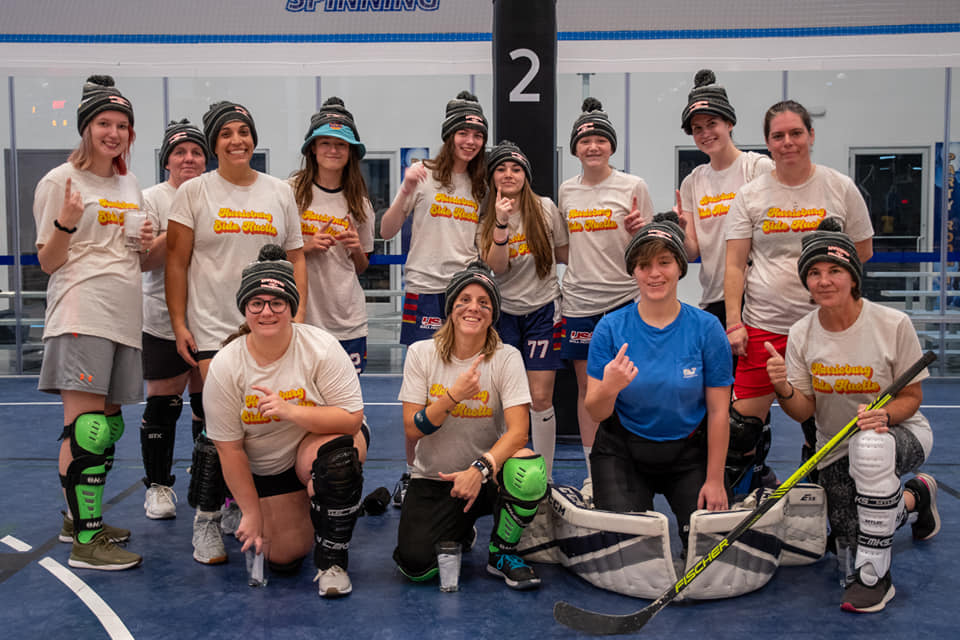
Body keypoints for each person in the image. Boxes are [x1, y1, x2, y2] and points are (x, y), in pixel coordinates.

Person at [765, 220, 939, 613]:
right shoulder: (801, 333)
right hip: (834, 447)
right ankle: (917, 497)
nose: (824, 281)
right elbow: (804, 410)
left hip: (900, 434)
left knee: (870, 447)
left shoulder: (892, 324)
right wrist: (782, 387)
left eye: (835, 270)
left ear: (853, 277)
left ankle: (875, 578)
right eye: (814, 272)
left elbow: (912, 397)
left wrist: (884, 416)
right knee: (850, 538)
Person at [166, 100, 307, 565]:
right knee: (220, 426)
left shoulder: (279, 191)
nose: (236, 140)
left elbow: (296, 256)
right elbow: (176, 262)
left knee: (259, 422)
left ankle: (233, 504)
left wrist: (299, 316)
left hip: (268, 325)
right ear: (214, 143)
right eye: (226, 133)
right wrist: (179, 322)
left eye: (243, 131)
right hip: (213, 328)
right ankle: (206, 518)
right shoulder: (193, 192)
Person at [34, 75, 153, 570]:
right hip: (83, 310)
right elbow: (48, 261)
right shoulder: (60, 181)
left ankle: (76, 519)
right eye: (104, 123)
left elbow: (139, 259)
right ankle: (87, 540)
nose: (114, 133)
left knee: (108, 425)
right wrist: (66, 221)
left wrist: (147, 242)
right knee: (86, 428)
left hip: (124, 315)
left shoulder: (129, 184)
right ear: (86, 128)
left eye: (122, 125)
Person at [724, 99, 873, 489]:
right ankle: (743, 505)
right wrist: (734, 322)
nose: (787, 142)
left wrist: (830, 288)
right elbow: (735, 264)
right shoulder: (751, 195)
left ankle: (821, 500)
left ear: (811, 135)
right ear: (767, 143)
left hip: (825, 328)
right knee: (740, 431)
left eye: (795, 133)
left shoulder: (839, 187)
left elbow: (862, 250)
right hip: (764, 325)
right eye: (778, 136)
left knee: (824, 427)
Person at [204, 245, 367, 598]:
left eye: (277, 303)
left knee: (338, 462)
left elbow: (352, 419)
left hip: (314, 444)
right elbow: (231, 450)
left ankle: (332, 562)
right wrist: (252, 513)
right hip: (267, 464)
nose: (267, 311)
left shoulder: (321, 348)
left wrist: (291, 411)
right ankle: (229, 510)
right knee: (284, 556)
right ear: (245, 309)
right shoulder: (226, 365)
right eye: (257, 303)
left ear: (291, 307)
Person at [393, 263, 548, 590]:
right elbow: (412, 428)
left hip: (487, 475)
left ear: (492, 315)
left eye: (483, 302)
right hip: (435, 478)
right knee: (416, 567)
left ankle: (502, 553)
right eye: (464, 299)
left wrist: (480, 469)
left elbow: (519, 432)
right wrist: (453, 396)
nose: (473, 307)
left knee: (529, 469)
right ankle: (461, 528)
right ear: (451, 308)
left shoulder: (506, 357)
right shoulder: (422, 353)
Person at [585, 212, 732, 546]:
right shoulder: (610, 328)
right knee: (630, 549)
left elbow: (719, 411)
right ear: (633, 272)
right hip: (624, 450)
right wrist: (610, 387)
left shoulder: (707, 329)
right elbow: (595, 411)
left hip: (689, 452)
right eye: (643, 265)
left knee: (709, 547)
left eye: (664, 262)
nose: (654, 273)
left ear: (680, 267)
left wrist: (714, 480)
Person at [379, 91, 488, 506]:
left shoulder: (482, 184)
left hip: (465, 293)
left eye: (477, 134)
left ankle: (466, 467)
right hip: (424, 290)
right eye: (463, 132)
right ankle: (413, 473)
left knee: (464, 387)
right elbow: (387, 230)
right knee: (422, 390)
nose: (470, 141)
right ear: (449, 135)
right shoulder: (422, 174)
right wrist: (405, 190)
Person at [558, 97, 653, 490]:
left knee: (629, 387)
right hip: (580, 302)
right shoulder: (566, 191)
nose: (593, 146)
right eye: (585, 141)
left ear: (611, 146)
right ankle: (594, 472)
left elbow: (648, 245)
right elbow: (564, 248)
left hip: (624, 302)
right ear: (575, 149)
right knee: (589, 390)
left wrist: (637, 231)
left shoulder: (633, 186)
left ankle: (631, 467)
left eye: (600, 140)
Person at [478, 140, 569, 480]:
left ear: (525, 175)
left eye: (516, 169)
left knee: (540, 397)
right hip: (504, 313)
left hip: (543, 310)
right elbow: (497, 267)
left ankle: (544, 477)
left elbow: (565, 253)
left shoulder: (545, 208)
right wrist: (501, 223)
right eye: (501, 169)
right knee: (504, 399)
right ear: (492, 177)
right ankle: (501, 471)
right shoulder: (486, 215)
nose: (508, 174)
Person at [139, 119, 209, 519]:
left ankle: (208, 484)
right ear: (167, 160)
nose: (188, 159)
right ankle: (158, 487)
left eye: (196, 152)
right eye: (180, 152)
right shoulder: (151, 199)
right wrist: (178, 226)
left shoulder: (217, 194)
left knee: (210, 406)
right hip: (163, 319)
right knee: (164, 406)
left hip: (211, 318)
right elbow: (144, 261)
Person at [677, 69, 774, 328]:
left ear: (729, 123)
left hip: (758, 296)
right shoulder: (692, 182)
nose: (705, 133)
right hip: (714, 298)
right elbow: (692, 253)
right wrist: (681, 231)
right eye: (697, 128)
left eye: (712, 124)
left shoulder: (757, 168)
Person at [292, 97, 374, 373]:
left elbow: (361, 267)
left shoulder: (360, 203)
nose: (333, 150)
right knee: (303, 392)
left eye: (341, 144)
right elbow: (271, 253)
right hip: (303, 318)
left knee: (346, 394)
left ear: (351, 151)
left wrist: (356, 249)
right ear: (312, 148)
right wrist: (307, 246)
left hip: (347, 320)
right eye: (325, 142)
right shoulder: (289, 193)